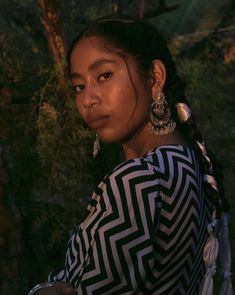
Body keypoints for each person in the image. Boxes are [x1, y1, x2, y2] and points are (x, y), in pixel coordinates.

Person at [28, 15, 233, 295]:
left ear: (154, 78)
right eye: (79, 86)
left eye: (104, 75)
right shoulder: (189, 162)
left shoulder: (137, 180)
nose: (88, 99)